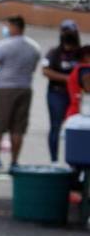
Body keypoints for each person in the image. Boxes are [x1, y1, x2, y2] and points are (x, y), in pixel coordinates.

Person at [0, 16, 42, 174]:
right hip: (25, 87)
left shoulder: (3, 45)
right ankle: (14, 161)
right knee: (18, 127)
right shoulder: (34, 47)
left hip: (4, 88)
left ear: (14, 27)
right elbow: (34, 67)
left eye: (8, 26)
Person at [43, 20, 81, 163]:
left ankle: (76, 161)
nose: (68, 34)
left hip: (77, 95)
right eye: (65, 31)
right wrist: (68, 79)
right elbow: (45, 71)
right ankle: (54, 160)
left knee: (78, 127)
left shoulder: (81, 53)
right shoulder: (54, 53)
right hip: (57, 93)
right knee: (55, 126)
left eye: (70, 31)